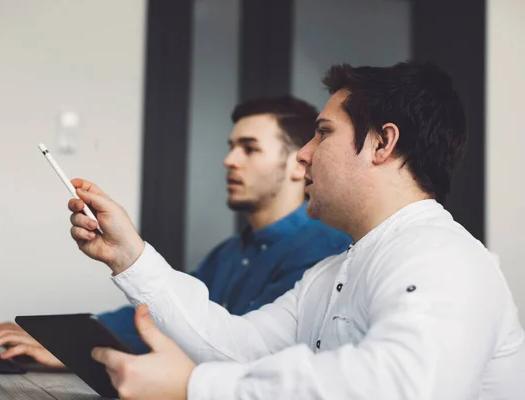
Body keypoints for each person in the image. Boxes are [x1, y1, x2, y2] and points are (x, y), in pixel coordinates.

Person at [67, 61, 525, 399]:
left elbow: (404, 384)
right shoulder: (329, 274)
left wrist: (195, 387)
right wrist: (129, 256)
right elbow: (237, 347)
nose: (303, 155)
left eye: (322, 133)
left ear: (382, 143)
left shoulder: (447, 258)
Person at [0, 96, 352, 366]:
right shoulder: (228, 253)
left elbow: (228, 349)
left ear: (300, 162)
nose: (228, 160)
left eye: (249, 148)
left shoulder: (324, 256)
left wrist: (75, 352)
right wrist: (61, 341)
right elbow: (160, 316)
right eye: (231, 146)